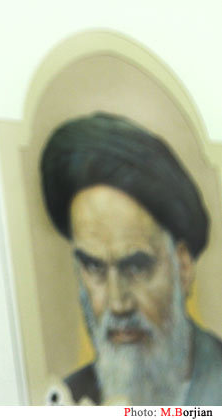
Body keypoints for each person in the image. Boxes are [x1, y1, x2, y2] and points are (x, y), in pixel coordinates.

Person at [40, 112, 222, 406]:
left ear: (183, 267)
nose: (117, 303)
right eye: (94, 267)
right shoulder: (69, 399)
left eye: (136, 267)